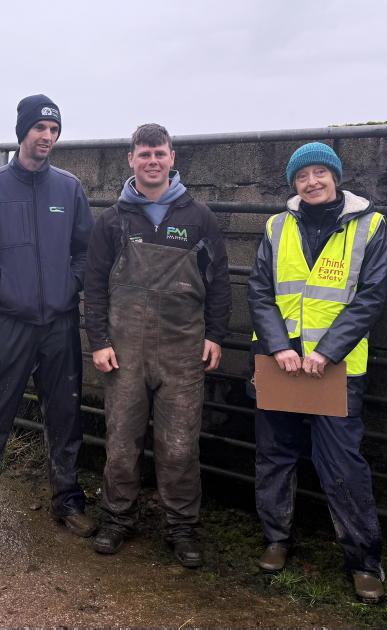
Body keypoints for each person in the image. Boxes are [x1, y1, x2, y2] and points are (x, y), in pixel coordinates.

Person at [84, 123, 232, 567]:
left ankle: (182, 527)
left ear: (172, 159)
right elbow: (94, 285)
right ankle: (116, 519)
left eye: (160, 153)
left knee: (180, 444)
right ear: (130, 159)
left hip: (182, 352)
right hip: (124, 353)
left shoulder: (198, 217)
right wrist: (99, 341)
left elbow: (220, 281)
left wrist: (215, 335)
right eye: (144, 153)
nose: (152, 161)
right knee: (122, 441)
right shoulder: (111, 220)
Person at [247, 142, 387, 603]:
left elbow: (370, 297)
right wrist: (278, 347)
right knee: (275, 455)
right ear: (293, 184)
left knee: (343, 464)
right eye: (301, 176)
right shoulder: (276, 226)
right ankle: (276, 539)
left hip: (337, 368)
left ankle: (363, 561)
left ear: (335, 176)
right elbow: (260, 292)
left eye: (319, 173)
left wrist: (327, 351)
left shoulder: (371, 226)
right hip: (281, 364)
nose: (311, 182)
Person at [0, 94, 95, 547]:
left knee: (65, 414)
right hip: (8, 322)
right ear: (23, 133)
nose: (48, 137)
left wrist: (68, 289)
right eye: (40, 129)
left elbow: (85, 251)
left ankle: (68, 501)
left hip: (58, 322)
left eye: (54, 131)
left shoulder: (69, 189)